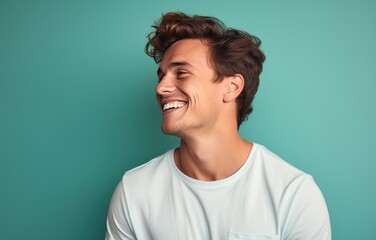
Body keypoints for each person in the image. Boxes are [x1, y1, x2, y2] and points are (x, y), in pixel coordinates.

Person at [105, 12, 331, 240]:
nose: (160, 88)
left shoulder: (293, 194)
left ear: (231, 87)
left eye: (181, 73)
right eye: (161, 76)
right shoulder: (133, 192)